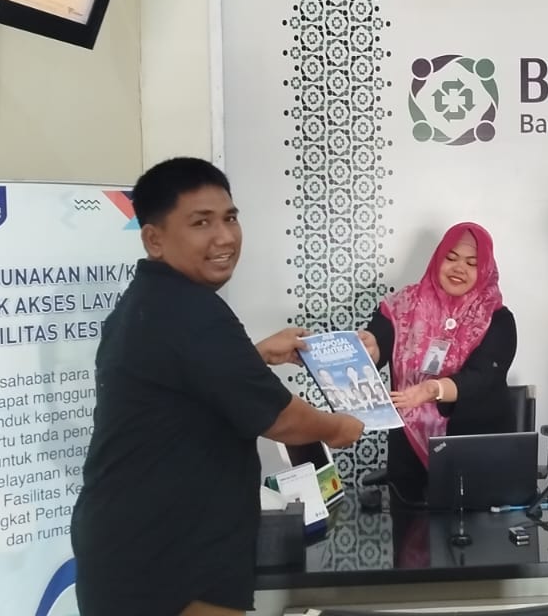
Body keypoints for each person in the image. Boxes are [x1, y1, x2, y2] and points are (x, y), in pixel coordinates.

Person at [70, 157, 365, 616]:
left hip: (130, 543)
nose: (225, 237)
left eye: (230, 218)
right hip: (168, 554)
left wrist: (256, 354)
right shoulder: (191, 312)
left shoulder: (149, 301)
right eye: (201, 222)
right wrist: (340, 427)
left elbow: (186, 382)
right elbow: (283, 420)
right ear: (154, 239)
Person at [358, 222, 518, 501]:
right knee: (408, 526)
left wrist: (432, 389)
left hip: (474, 449)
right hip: (408, 453)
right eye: (451, 258)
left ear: (484, 270)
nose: (459, 268)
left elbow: (482, 377)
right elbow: (379, 344)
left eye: (472, 263)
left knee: (477, 529)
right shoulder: (402, 305)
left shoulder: (498, 319)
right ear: (437, 258)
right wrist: (369, 348)